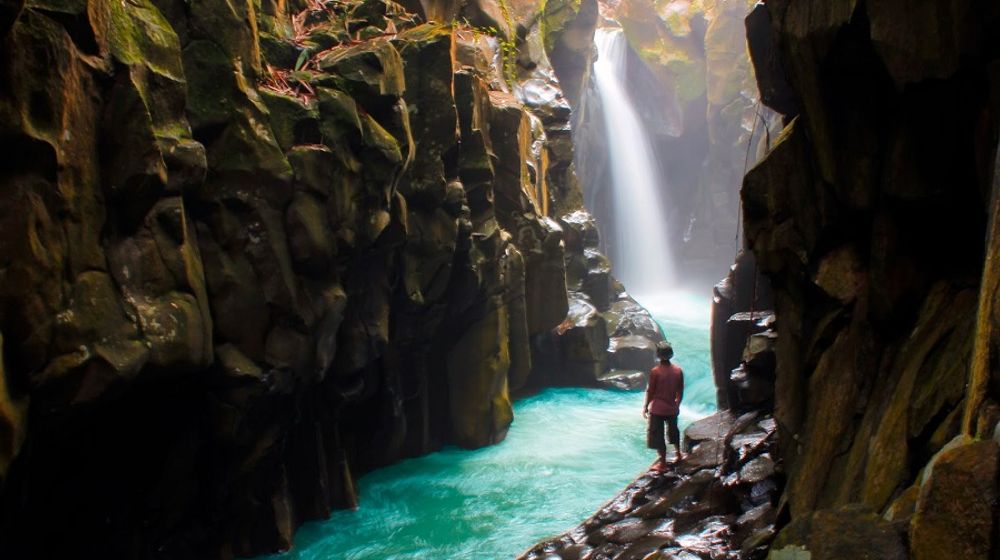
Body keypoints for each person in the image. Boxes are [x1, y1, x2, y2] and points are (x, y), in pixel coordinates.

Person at [642, 341, 684, 471]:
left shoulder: (656, 372)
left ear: (658, 355)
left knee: (658, 436)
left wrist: (645, 406)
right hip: (672, 408)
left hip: (658, 410)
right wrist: (677, 404)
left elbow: (651, 391)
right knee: (673, 431)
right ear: (671, 354)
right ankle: (679, 454)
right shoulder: (678, 371)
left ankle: (663, 463)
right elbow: (680, 391)